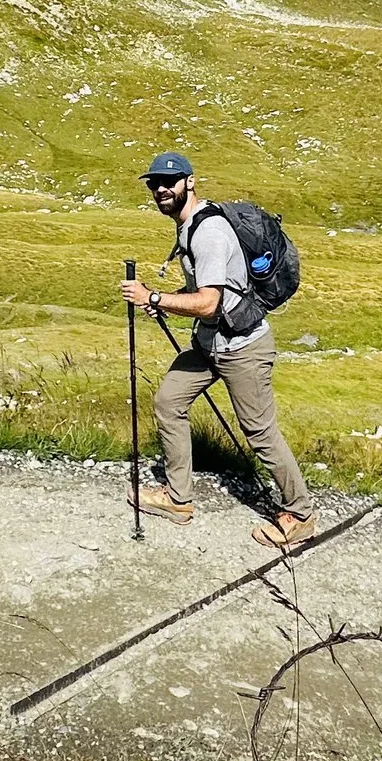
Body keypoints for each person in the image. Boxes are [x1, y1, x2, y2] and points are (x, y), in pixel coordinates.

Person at [119, 151, 314, 548]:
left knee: (260, 433)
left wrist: (154, 296)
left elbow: (209, 302)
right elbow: (205, 298)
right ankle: (178, 499)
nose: (160, 189)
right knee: (169, 402)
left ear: (189, 182)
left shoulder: (208, 233)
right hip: (210, 342)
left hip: (243, 348)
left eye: (168, 182)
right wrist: (164, 301)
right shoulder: (189, 224)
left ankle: (300, 513)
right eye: (153, 183)